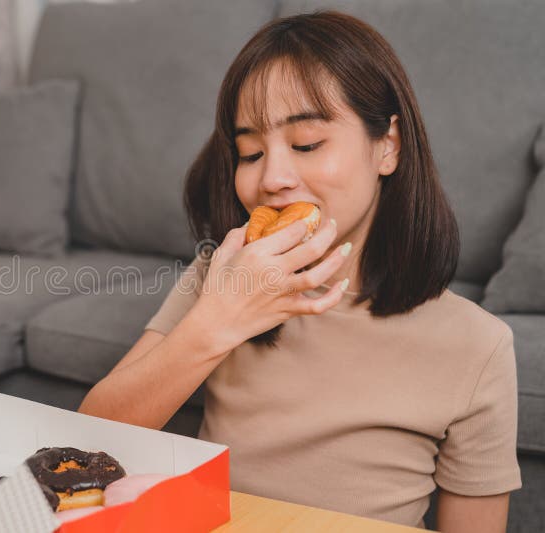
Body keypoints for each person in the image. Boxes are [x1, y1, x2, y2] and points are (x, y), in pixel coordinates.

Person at [78, 10, 521, 532]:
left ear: (388, 146)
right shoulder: (220, 278)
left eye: (307, 144)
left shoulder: (478, 345)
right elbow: (89, 444)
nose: (273, 177)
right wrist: (216, 322)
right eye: (250, 152)